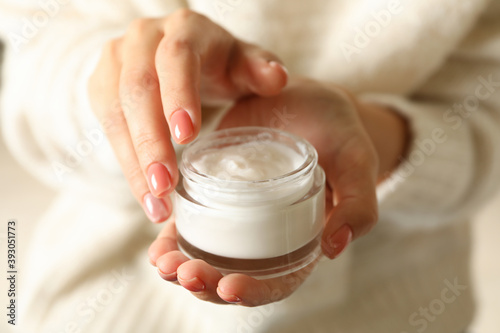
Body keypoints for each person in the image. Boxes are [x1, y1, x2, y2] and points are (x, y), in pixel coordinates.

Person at [1, 0, 499, 332]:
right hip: (109, 307)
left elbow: (488, 125)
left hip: (398, 309)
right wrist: (118, 94)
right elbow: (29, 58)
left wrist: (370, 139)